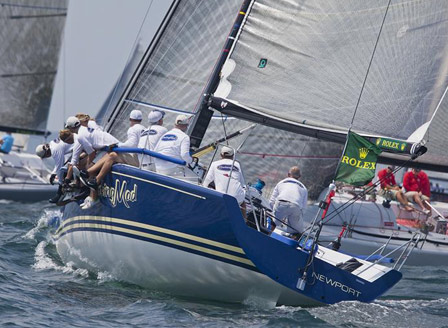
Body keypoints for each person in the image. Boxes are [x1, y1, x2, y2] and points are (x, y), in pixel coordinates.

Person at [202, 146, 246, 215]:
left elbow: (206, 181)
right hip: (237, 199)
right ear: (233, 155)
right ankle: (244, 220)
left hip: (222, 198)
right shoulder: (237, 164)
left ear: (221, 155)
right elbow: (243, 183)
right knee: (243, 203)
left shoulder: (214, 164)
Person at [269, 166, 308, 237]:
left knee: (273, 222)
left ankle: (267, 234)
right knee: (297, 232)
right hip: (295, 206)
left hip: (281, 203)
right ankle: (292, 242)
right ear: (299, 176)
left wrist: (276, 215)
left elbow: (272, 201)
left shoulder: (281, 183)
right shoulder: (303, 188)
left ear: (288, 174)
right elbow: (304, 208)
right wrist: (297, 219)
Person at [35, 138, 74, 203]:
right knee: (66, 167)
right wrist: (53, 173)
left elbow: (59, 167)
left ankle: (60, 193)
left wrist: (60, 183)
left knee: (64, 172)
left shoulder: (55, 150)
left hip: (81, 146)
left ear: (46, 154)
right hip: (77, 147)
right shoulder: (52, 144)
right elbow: (61, 163)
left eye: (45, 157)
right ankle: (66, 190)